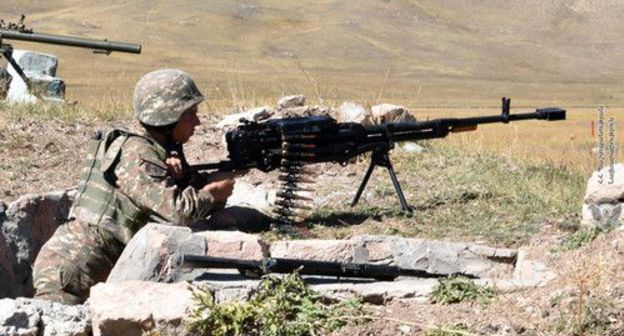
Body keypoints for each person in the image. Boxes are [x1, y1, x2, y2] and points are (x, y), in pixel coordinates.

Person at [32, 69, 270, 305]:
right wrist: (211, 192)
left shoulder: (154, 148)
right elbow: (177, 213)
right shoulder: (137, 153)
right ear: (168, 116)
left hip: (88, 264)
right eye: (191, 113)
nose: (197, 121)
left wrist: (207, 182)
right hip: (73, 269)